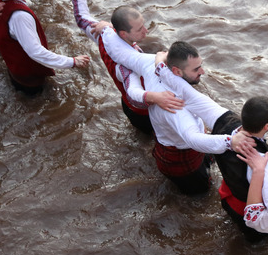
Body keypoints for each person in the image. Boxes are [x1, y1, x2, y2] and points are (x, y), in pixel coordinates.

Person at [99, 27, 255, 195]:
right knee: (201, 194)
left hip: (180, 145)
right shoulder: (174, 106)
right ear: (176, 71)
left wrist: (106, 30)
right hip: (181, 161)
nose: (202, 71)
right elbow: (193, 138)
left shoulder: (151, 63)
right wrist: (230, 142)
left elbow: (120, 53)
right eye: (196, 69)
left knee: (208, 160)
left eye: (200, 66)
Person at [71, 0, 182, 135]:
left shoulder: (103, 34)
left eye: (144, 25)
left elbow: (81, 17)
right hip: (142, 112)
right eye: (139, 30)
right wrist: (157, 98)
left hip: (129, 104)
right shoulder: (124, 65)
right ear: (122, 34)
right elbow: (133, 93)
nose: (146, 31)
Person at [212, 96, 268, 243]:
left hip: (228, 197)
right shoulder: (261, 160)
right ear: (266, 126)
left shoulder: (226, 127)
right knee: (259, 243)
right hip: (245, 211)